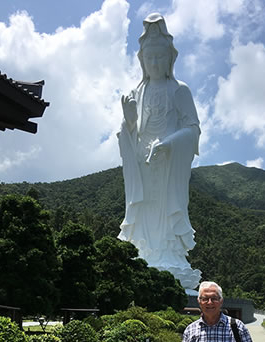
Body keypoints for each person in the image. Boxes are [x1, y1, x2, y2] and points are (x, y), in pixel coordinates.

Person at [118, 13, 201, 292]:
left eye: (159, 57)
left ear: (169, 59)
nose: (154, 63)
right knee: (144, 209)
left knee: (166, 212)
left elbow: (193, 129)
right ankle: (145, 256)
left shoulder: (179, 90)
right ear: (142, 60)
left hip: (168, 165)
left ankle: (168, 257)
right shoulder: (137, 92)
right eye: (149, 57)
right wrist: (129, 121)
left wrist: (169, 144)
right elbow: (130, 132)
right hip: (143, 163)